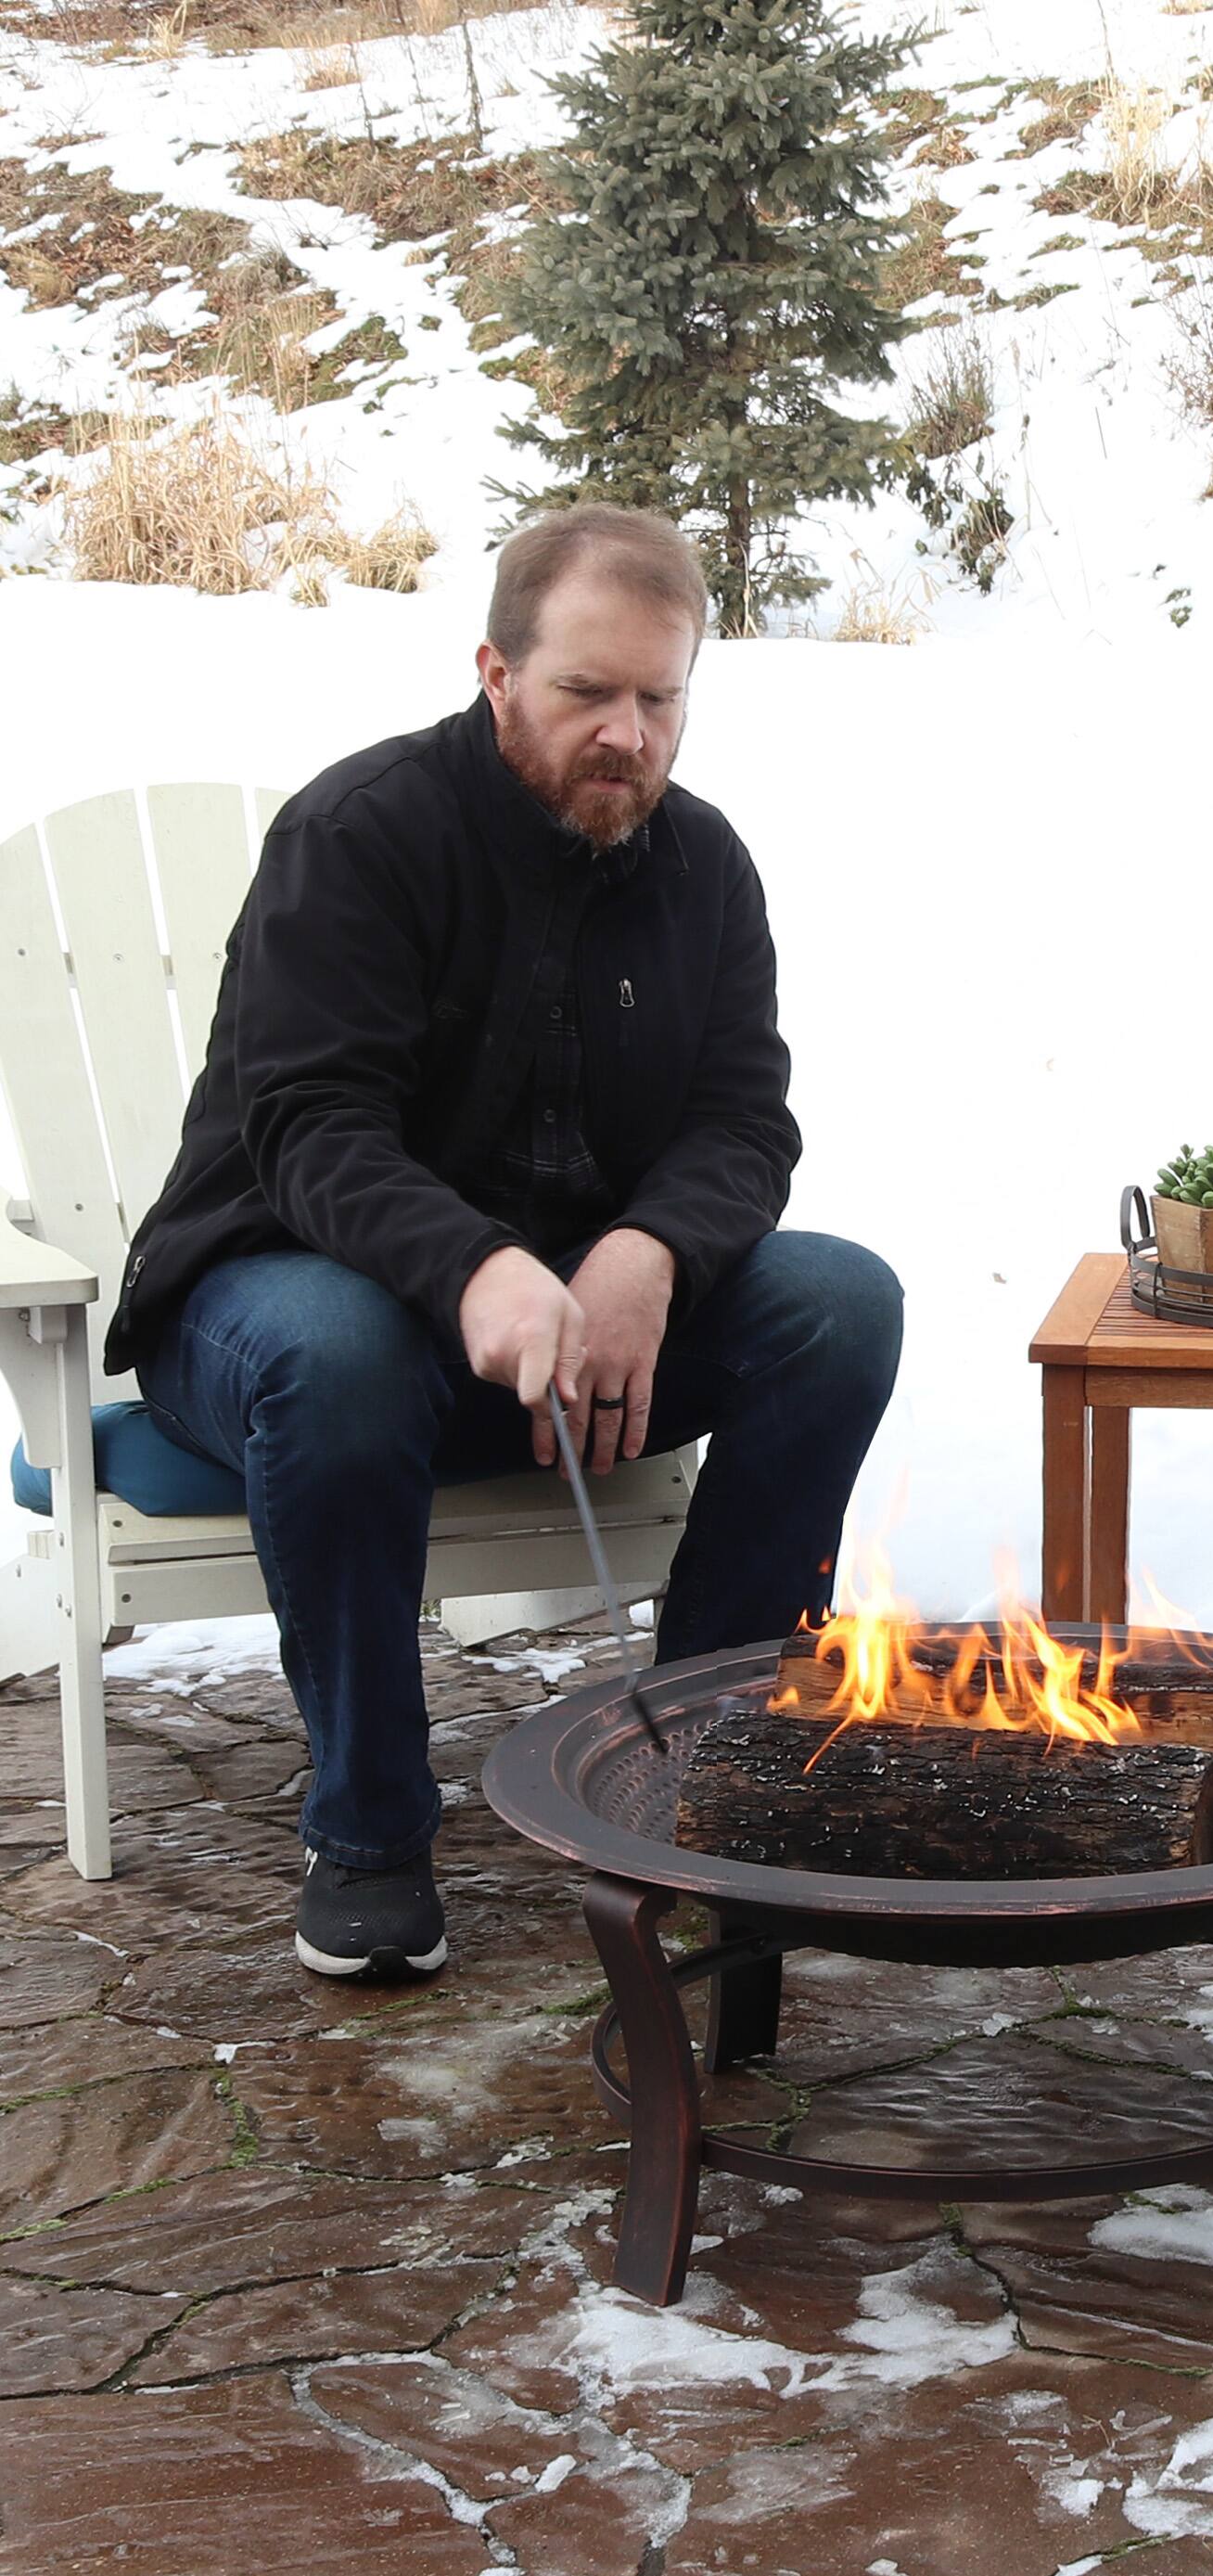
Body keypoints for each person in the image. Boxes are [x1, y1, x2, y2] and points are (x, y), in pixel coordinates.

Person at [107, 506, 903, 1982]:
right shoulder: (359, 837)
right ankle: (368, 1830)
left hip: (576, 1331)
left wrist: (647, 1252)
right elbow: (309, 1126)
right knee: (336, 1349)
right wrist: (475, 1265)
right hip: (278, 1299)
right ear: (494, 671)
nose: (629, 735)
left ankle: (704, 1774)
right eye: (586, 692)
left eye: (660, 698)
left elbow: (745, 1125)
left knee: (840, 1303)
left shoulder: (706, 869)